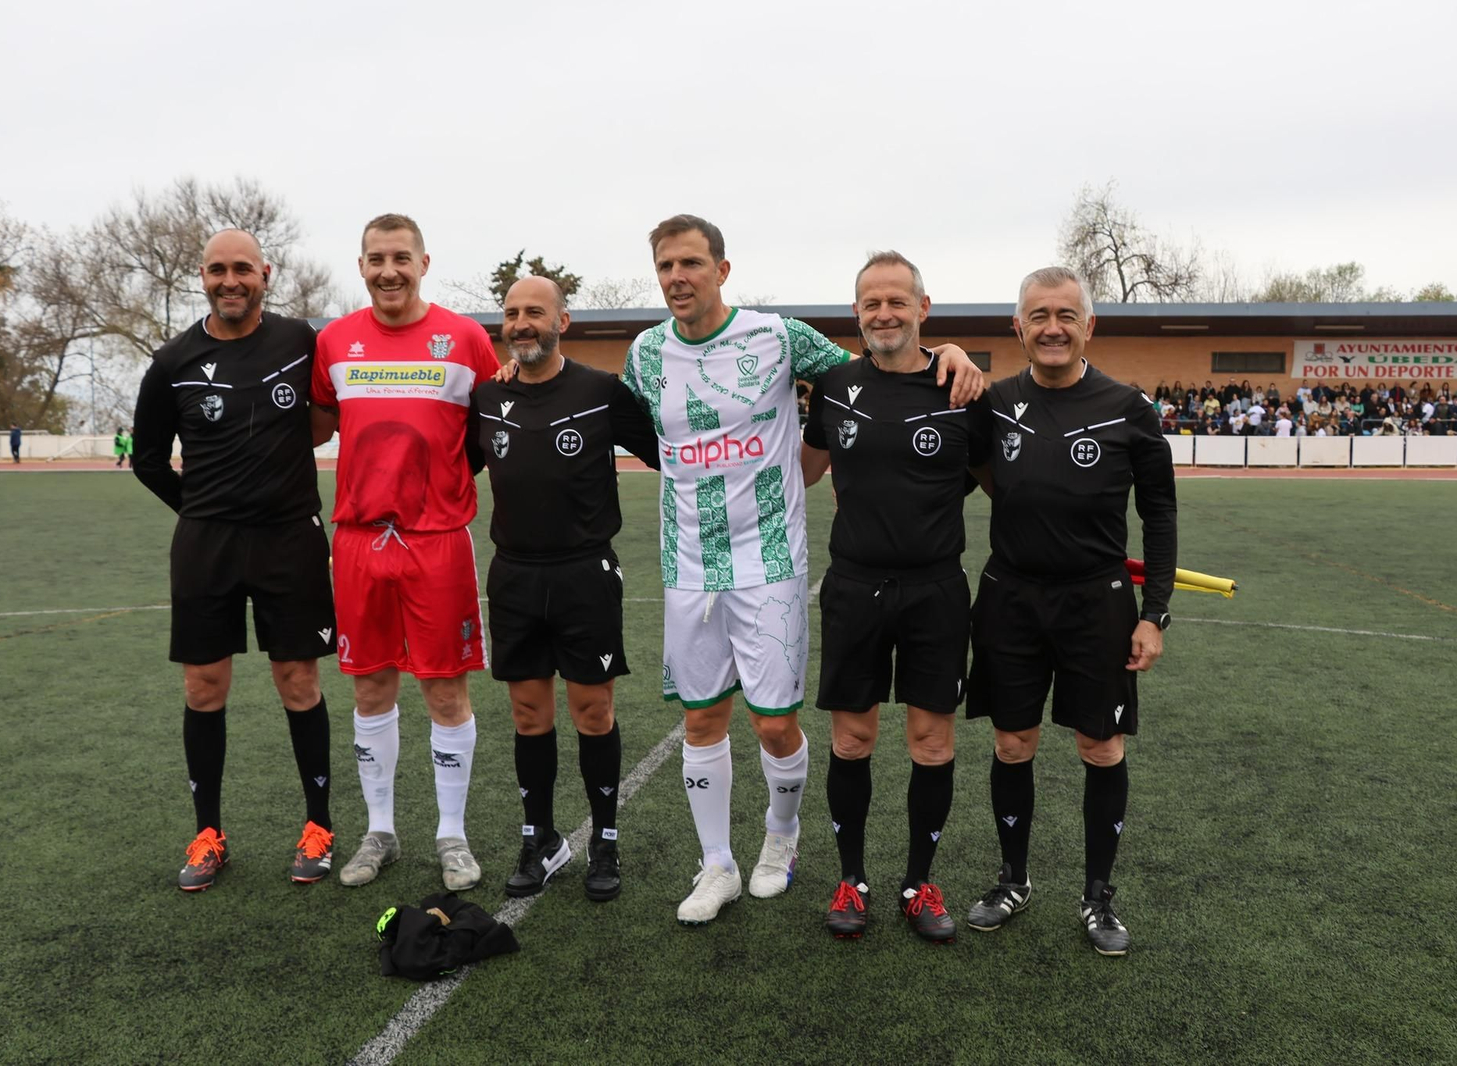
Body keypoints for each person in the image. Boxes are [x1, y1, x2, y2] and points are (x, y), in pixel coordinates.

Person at [620, 214, 982, 925]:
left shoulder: (779, 337)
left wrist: (948, 351)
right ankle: (716, 864)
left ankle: (780, 842)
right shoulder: (644, 353)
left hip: (771, 560)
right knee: (701, 718)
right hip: (689, 564)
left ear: (722, 269)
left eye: (691, 263)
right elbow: (621, 416)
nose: (677, 278)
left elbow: (875, 367)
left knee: (775, 727)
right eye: (665, 266)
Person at [963, 266, 1176, 957]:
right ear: (1017, 327)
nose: (1052, 327)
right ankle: (1013, 879)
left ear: (1090, 326)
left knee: (1100, 747)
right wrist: (947, 355)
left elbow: (1160, 514)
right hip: (1010, 599)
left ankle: (1098, 896)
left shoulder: (1129, 407)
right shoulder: (991, 405)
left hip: (1099, 603)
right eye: (1038, 315)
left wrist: (1156, 613)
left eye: (1066, 315)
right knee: (1011, 745)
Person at [132, 228, 337, 892]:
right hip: (207, 546)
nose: (230, 281)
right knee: (203, 688)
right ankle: (208, 834)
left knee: (299, 683)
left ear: (265, 274)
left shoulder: (298, 341)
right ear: (202, 276)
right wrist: (200, 510)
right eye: (218, 270)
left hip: (289, 538)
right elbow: (146, 459)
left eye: (242, 269)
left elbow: (328, 414)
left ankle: (319, 828)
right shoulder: (172, 361)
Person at [310, 213, 502, 890]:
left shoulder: (467, 338)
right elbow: (315, 426)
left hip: (437, 539)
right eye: (375, 259)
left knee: (446, 689)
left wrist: (440, 487)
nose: (387, 270)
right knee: (370, 686)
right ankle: (381, 831)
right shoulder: (334, 342)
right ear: (360, 266)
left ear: (424, 263)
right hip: (360, 540)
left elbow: (487, 433)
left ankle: (452, 835)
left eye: (400, 257)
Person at [799, 252, 977, 943]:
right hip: (854, 586)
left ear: (923, 309)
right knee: (854, 736)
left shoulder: (960, 385)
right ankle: (852, 878)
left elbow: (1001, 480)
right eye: (871, 303)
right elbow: (804, 472)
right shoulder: (837, 386)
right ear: (857, 314)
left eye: (897, 302)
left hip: (936, 589)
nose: (884, 314)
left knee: (932, 742)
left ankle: (918, 882)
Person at [469, 276, 661, 902]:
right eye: (512, 313)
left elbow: (672, 452)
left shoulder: (601, 392)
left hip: (584, 574)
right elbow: (449, 463)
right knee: (528, 713)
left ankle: (604, 839)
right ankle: (541, 838)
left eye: (534, 313)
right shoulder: (487, 398)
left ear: (562, 322)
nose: (521, 323)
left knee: (593, 712)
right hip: (514, 576)